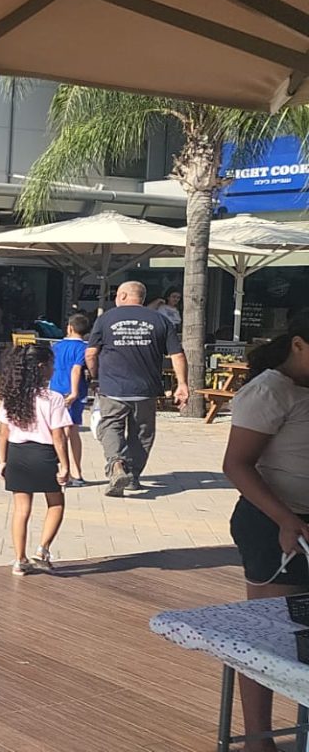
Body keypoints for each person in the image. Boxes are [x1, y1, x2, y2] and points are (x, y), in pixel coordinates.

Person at [220, 313, 309, 752]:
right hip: (275, 523)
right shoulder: (271, 390)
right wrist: (285, 519)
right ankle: (258, 738)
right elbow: (236, 465)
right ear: (299, 344)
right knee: (269, 633)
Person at [86, 281, 190, 497]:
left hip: (113, 387)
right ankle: (132, 477)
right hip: (146, 388)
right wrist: (182, 384)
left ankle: (116, 464)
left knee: (110, 426)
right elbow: (177, 354)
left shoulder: (106, 319)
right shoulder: (160, 320)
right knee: (142, 433)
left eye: (117, 294)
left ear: (123, 296)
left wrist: (95, 376)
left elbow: (91, 353)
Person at [0, 344, 73, 575]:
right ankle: (42, 550)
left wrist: (2, 461)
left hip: (17, 454)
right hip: (44, 454)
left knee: (21, 509)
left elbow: (3, 433)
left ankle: (19, 559)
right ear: (41, 367)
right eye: (51, 365)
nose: (53, 369)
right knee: (56, 503)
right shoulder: (53, 398)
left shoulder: (11, 396)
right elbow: (59, 436)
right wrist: (65, 465)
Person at [49, 313, 91, 486]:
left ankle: (61, 469)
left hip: (55, 389)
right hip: (73, 392)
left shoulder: (57, 346)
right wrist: (74, 392)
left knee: (58, 431)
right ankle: (75, 471)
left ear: (69, 328)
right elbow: (76, 369)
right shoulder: (84, 348)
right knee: (72, 431)